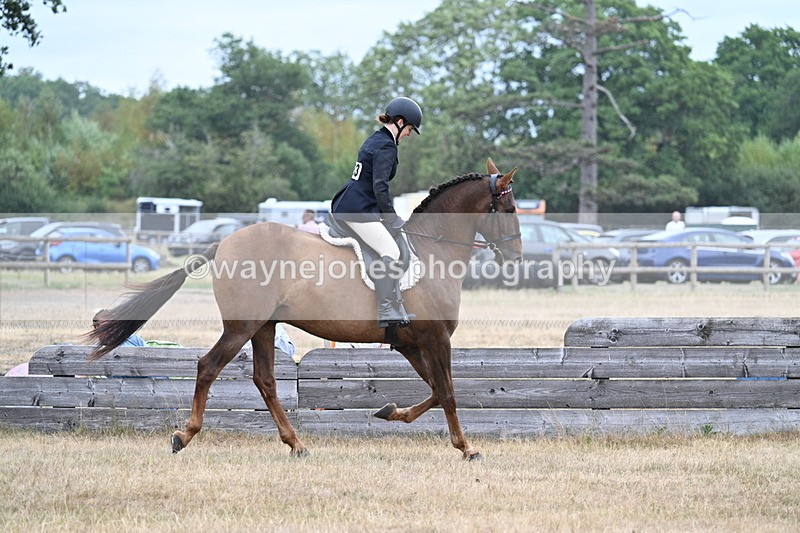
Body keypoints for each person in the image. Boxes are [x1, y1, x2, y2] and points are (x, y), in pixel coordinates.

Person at [330, 97, 422, 328]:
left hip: (354, 203)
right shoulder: (386, 146)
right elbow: (380, 187)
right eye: (409, 129)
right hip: (357, 209)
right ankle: (385, 309)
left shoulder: (376, 138)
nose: (409, 134)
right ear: (400, 122)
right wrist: (392, 218)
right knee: (390, 249)